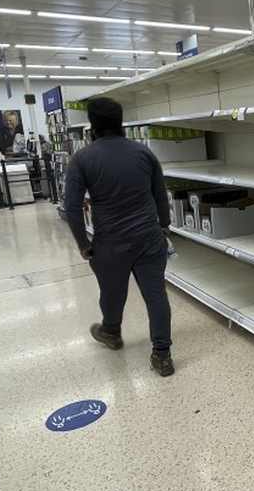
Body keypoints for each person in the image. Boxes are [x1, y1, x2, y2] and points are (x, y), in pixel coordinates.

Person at [63, 97, 175, 376]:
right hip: (149, 238)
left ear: (92, 126)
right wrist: (164, 228)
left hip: (110, 243)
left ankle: (111, 331)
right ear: (121, 122)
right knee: (156, 295)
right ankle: (162, 355)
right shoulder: (143, 153)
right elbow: (160, 195)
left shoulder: (82, 159)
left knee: (112, 292)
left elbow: (72, 208)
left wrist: (83, 244)